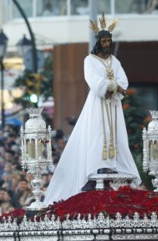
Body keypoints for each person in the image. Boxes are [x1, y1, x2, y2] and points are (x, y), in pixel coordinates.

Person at [43, 17, 141, 205]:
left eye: (109, 41)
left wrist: (115, 86)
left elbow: (124, 81)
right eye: (104, 41)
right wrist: (113, 86)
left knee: (116, 134)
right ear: (98, 42)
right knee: (98, 133)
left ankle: (114, 165)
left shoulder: (115, 61)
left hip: (113, 105)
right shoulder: (89, 60)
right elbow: (95, 83)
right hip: (98, 103)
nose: (107, 44)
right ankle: (98, 166)